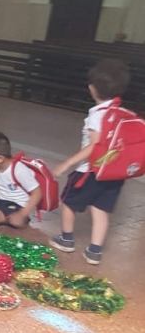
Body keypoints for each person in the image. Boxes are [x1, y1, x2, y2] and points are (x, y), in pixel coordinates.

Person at [50, 59, 132, 265]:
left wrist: (67, 164)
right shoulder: (122, 113)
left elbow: (95, 146)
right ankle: (94, 251)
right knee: (100, 209)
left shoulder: (97, 114)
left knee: (68, 201)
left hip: (89, 171)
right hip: (113, 173)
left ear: (92, 88)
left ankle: (66, 239)